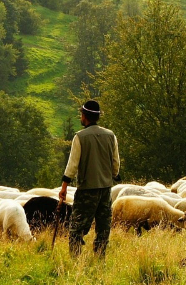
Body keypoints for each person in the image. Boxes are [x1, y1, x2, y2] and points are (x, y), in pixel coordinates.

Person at [58, 100, 120, 257]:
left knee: (77, 227)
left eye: (81, 114)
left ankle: (76, 259)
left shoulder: (80, 137)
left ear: (84, 116)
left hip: (87, 190)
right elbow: (115, 163)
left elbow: (72, 165)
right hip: (106, 189)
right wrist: (112, 175)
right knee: (103, 227)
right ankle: (100, 258)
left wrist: (64, 187)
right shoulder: (110, 136)